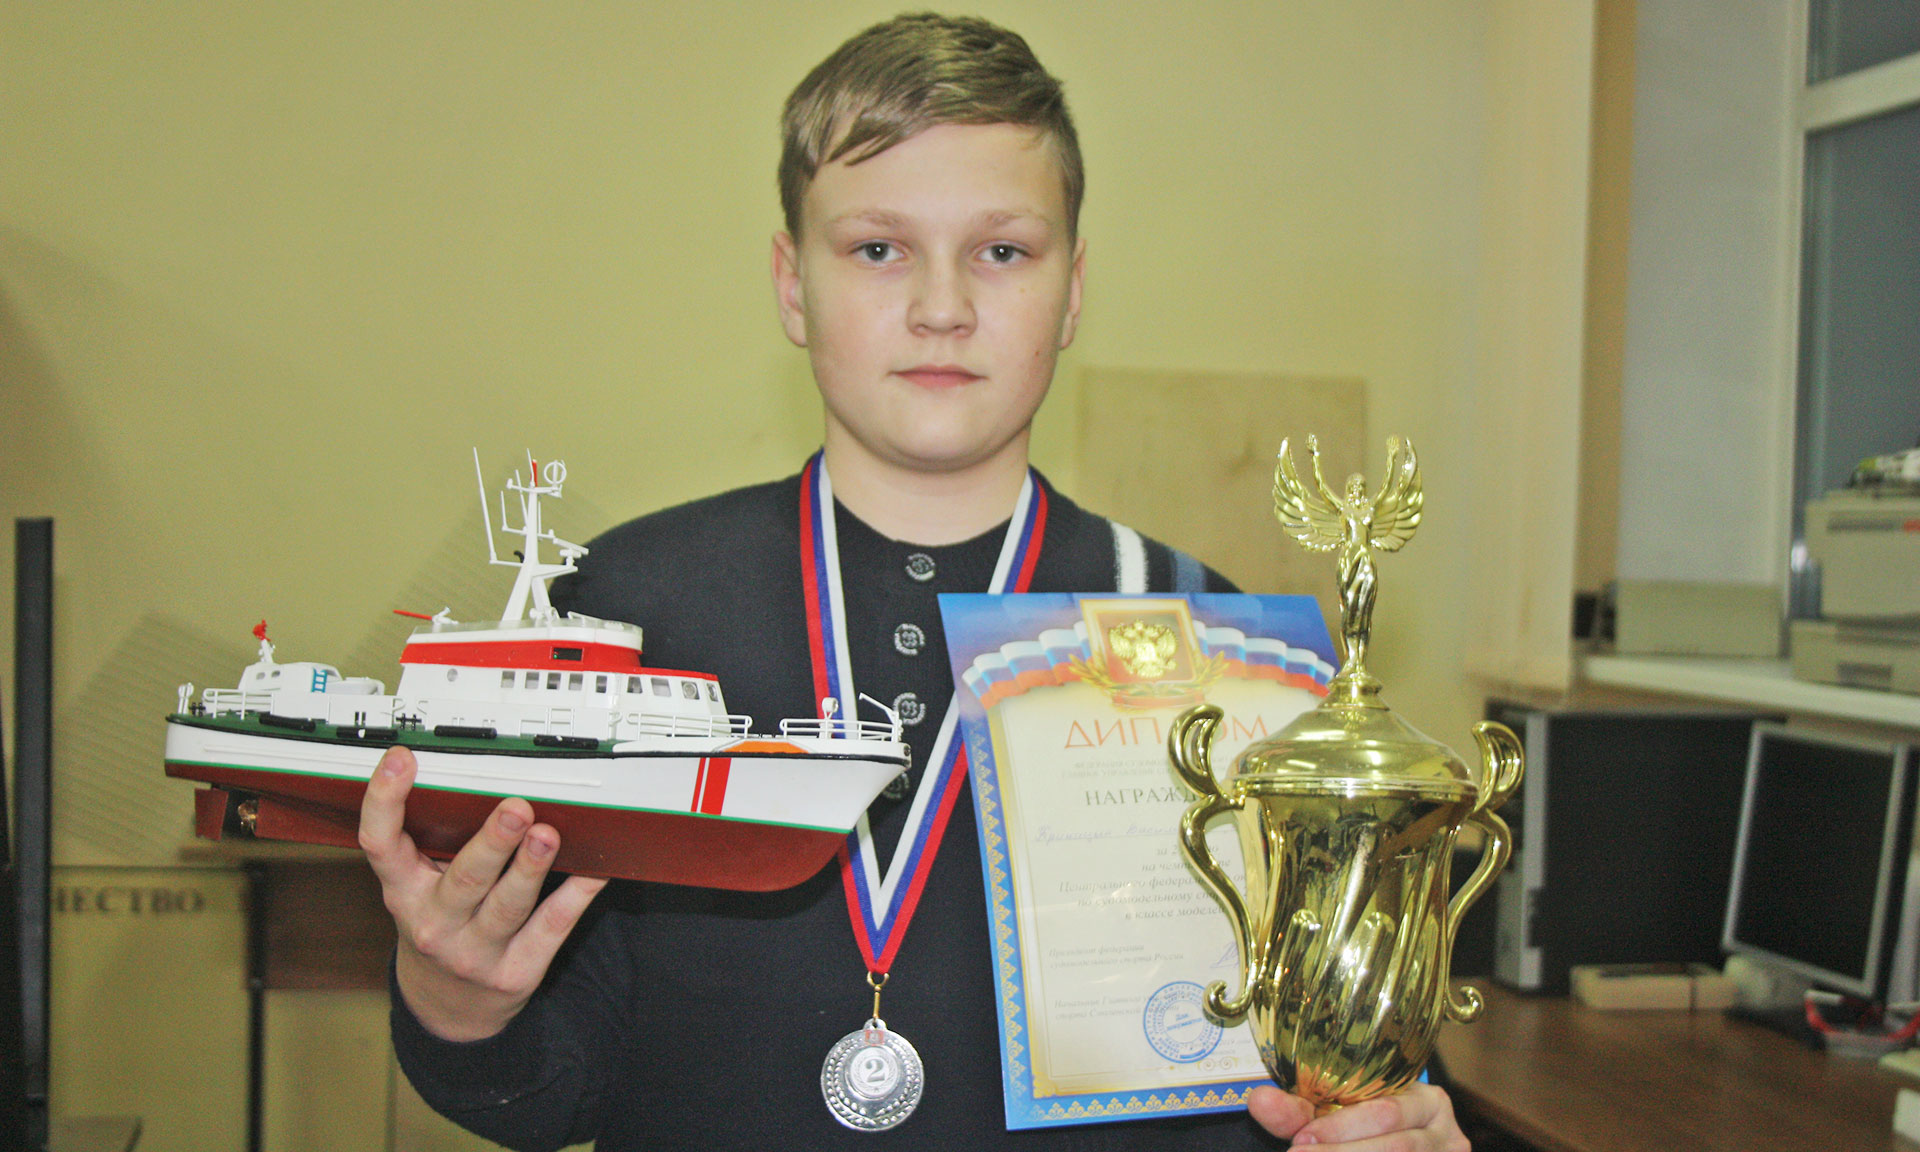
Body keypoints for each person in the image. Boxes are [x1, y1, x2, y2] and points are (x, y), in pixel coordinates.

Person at [361, 13, 1470, 1151]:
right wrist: (457, 999)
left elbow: (1300, 1077)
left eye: (1003, 252)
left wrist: (1377, 1128)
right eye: (878, 250)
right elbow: (548, 1093)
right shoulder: (618, 615)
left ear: (1072, 291)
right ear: (792, 285)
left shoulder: (1218, 644)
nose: (943, 307)